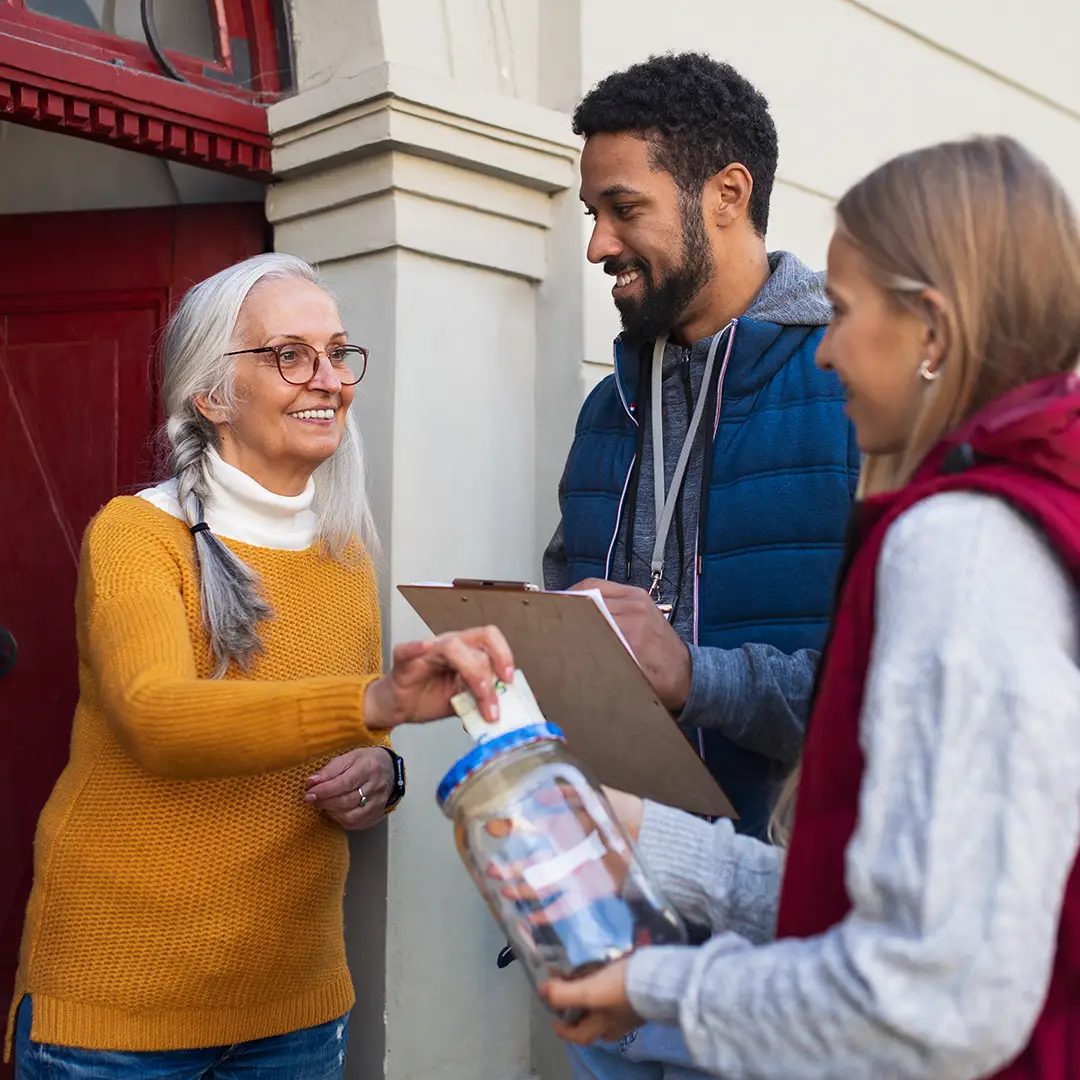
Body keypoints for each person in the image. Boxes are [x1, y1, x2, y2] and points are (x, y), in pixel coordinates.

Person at [541, 135, 1080, 1080]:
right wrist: (652, 837)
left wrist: (658, 989)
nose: (823, 351)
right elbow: (888, 902)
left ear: (935, 330)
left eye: (840, 312)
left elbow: (930, 992)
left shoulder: (960, 541)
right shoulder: (1013, 509)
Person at [4, 253, 513, 1079]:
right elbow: (160, 720)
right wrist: (378, 701)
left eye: (337, 353)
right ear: (211, 394)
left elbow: (324, 726)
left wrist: (380, 774)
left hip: (295, 1008)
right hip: (120, 1008)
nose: (328, 379)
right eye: (289, 354)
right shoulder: (136, 535)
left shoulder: (344, 553)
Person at [543, 50, 857, 1080]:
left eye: (621, 207)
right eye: (593, 211)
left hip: (790, 956)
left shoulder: (852, 396)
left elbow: (886, 705)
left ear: (728, 195)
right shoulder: (607, 408)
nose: (597, 243)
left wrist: (696, 675)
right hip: (613, 932)